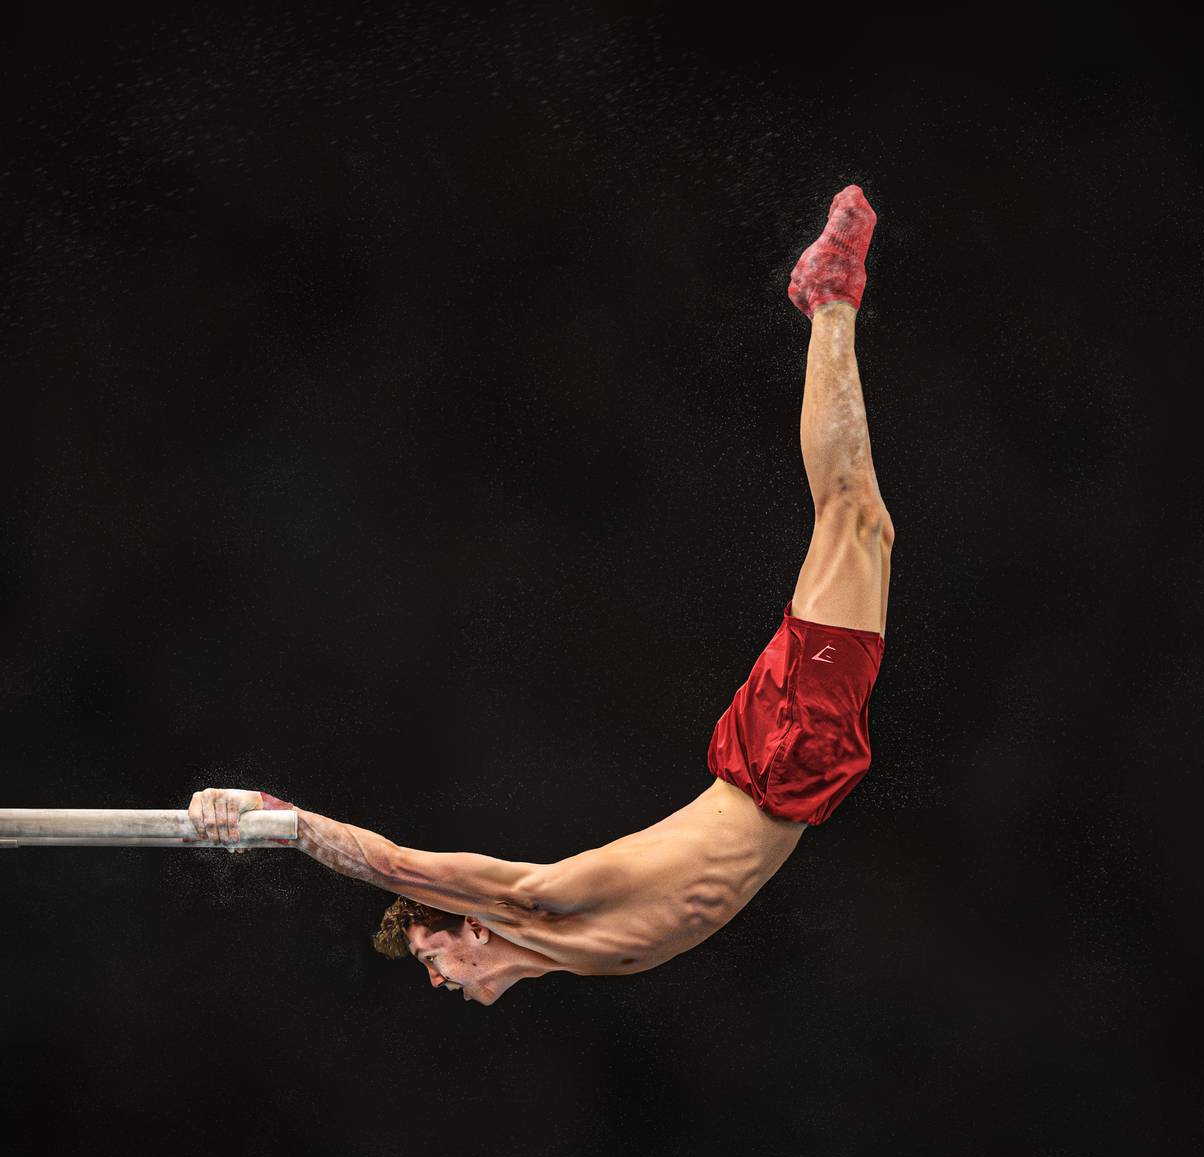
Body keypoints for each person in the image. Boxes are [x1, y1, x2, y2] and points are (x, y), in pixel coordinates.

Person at [189, 185, 894, 1005]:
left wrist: (278, 821)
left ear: (474, 926)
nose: (440, 979)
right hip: (779, 773)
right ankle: (828, 302)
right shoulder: (577, 952)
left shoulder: (546, 901)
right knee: (860, 521)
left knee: (855, 519)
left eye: (433, 957)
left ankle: (831, 298)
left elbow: (393, 863)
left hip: (780, 763)